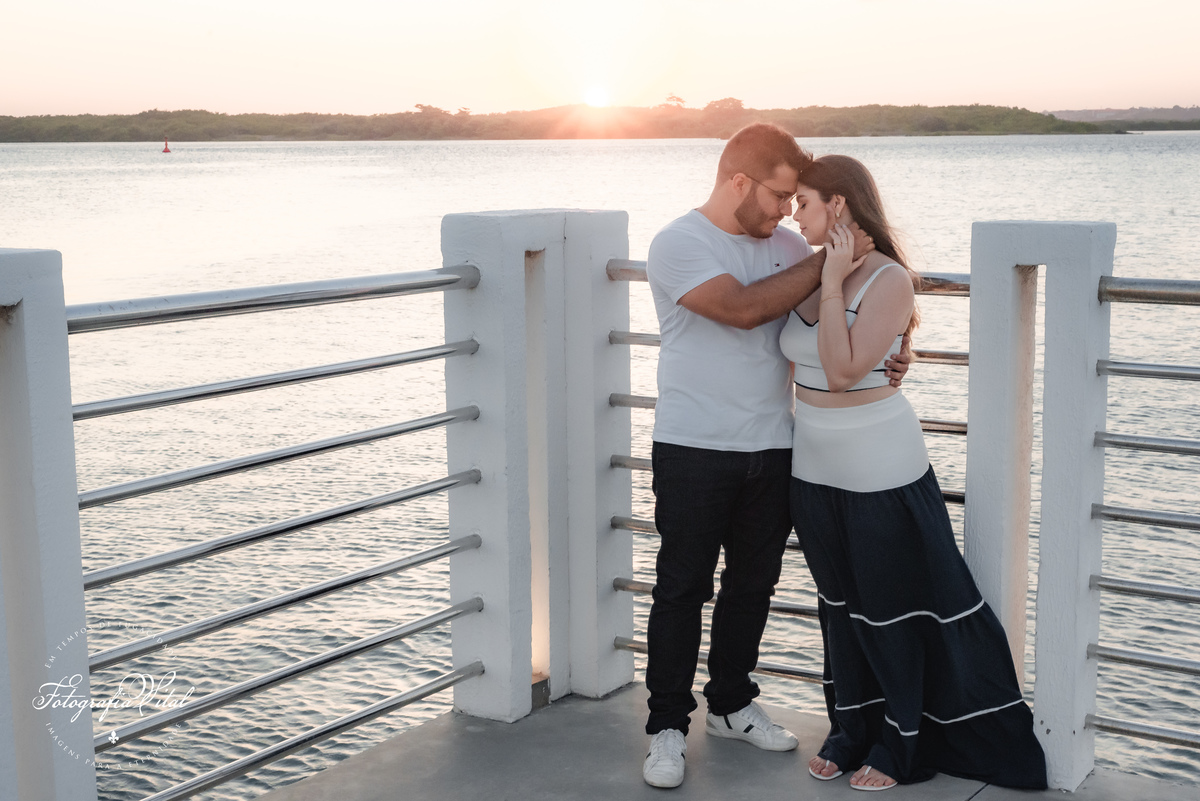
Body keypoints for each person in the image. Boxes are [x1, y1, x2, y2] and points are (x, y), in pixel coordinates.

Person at [640, 124, 911, 789]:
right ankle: (667, 725)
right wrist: (830, 260)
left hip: (776, 445)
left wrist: (893, 354)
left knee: (753, 585)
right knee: (682, 587)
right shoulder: (679, 242)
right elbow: (739, 309)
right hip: (695, 445)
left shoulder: (789, 244)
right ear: (739, 181)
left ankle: (731, 702)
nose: (790, 211)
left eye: (797, 199)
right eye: (780, 195)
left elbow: (844, 315)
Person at [780, 154, 1048, 790]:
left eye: (805, 203)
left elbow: (844, 371)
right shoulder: (811, 271)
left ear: (838, 204)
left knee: (890, 609)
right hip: (811, 462)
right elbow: (795, 361)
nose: (796, 215)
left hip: (879, 463)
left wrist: (839, 279)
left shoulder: (887, 279)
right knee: (840, 607)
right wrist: (830, 275)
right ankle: (850, 731)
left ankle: (903, 743)